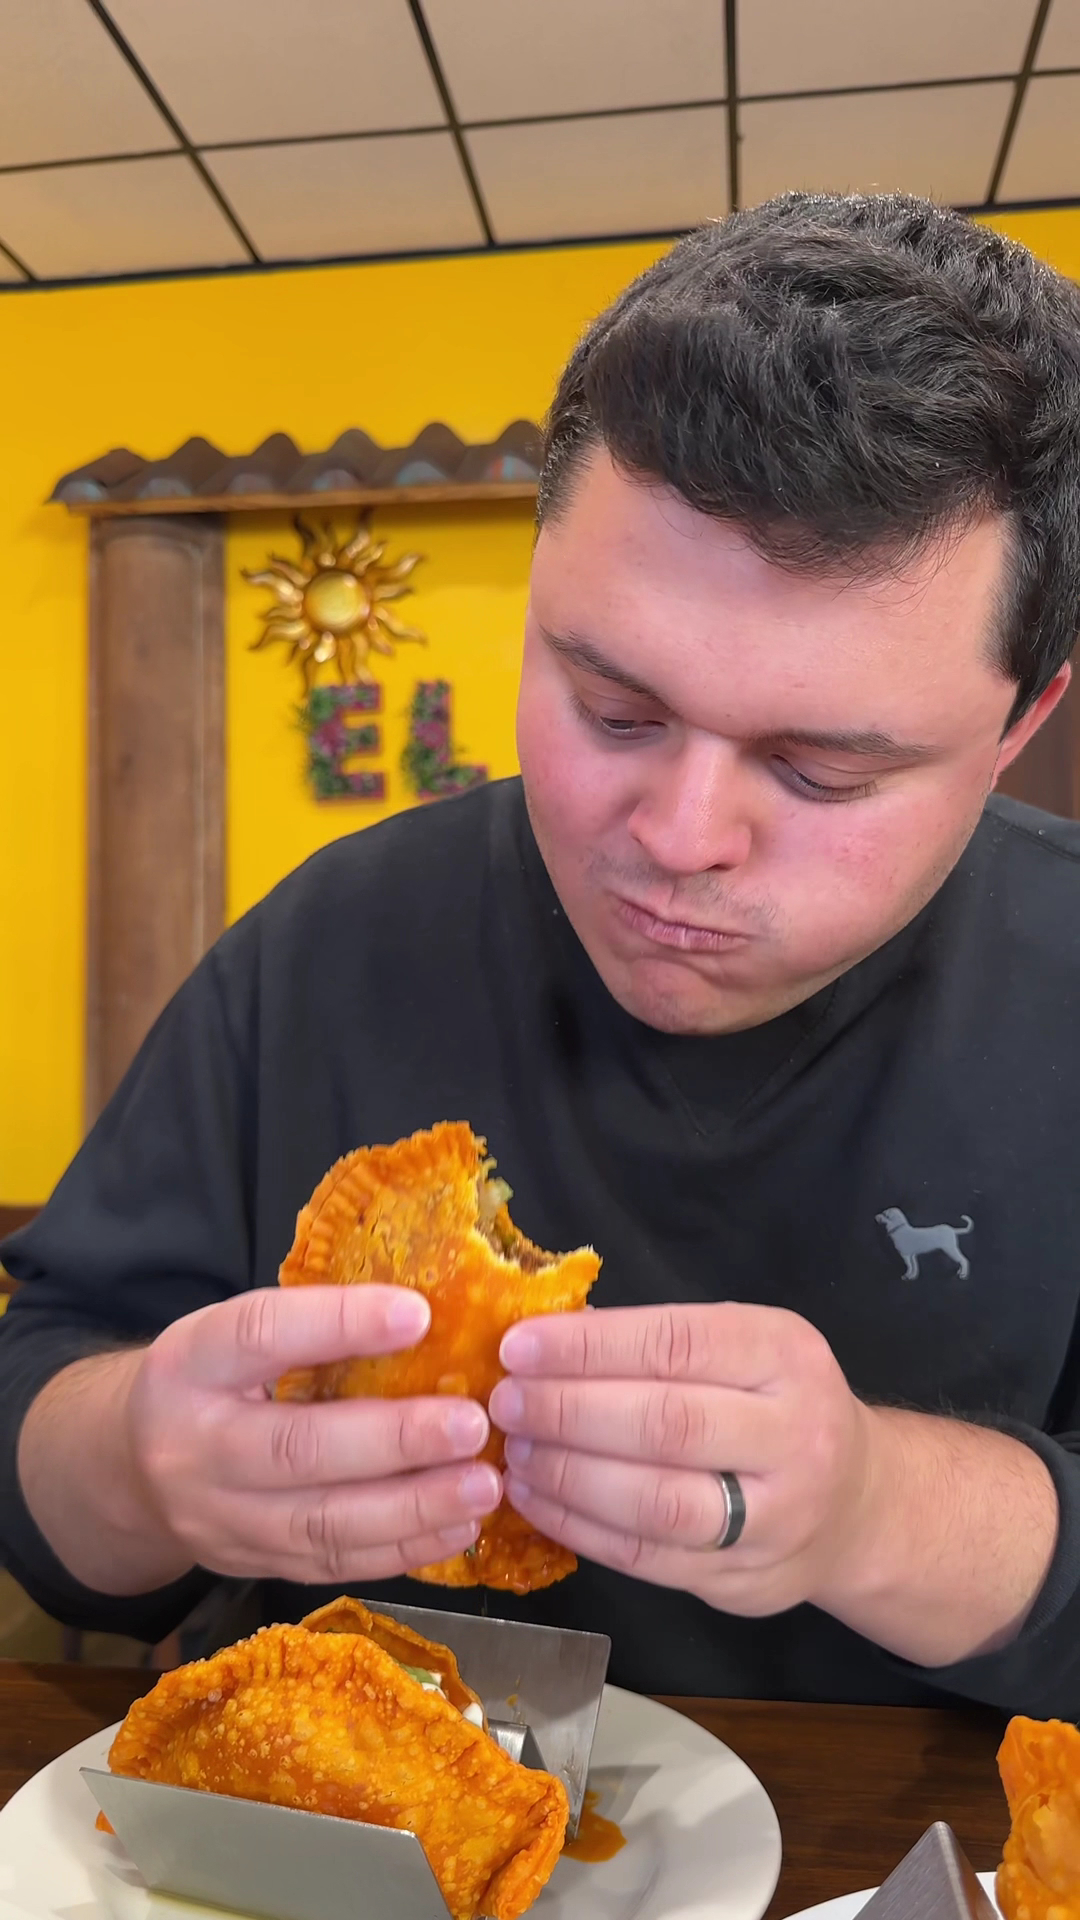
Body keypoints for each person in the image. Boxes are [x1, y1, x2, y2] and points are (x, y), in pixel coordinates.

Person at [3, 189, 1080, 1713]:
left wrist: (874, 1509)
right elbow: (45, 1452)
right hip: (355, 1815)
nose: (682, 836)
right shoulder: (329, 942)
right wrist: (139, 1460)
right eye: (613, 710)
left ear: (1021, 722)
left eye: (822, 772)